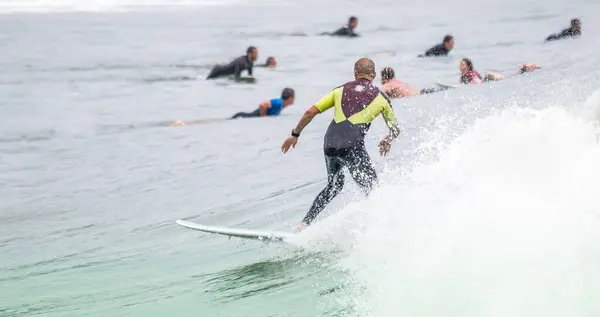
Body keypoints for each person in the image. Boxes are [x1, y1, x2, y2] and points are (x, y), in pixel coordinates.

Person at [280, 58, 401, 232]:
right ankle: (379, 231)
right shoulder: (382, 99)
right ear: (374, 75)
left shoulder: (340, 90)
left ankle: (302, 226)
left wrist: (295, 135)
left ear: (355, 74)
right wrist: (387, 140)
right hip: (352, 147)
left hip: (329, 144)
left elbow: (310, 112)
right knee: (373, 190)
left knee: (334, 186)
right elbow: (395, 129)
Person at [381, 67, 448, 98]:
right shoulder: (398, 82)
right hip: (423, 92)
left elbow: (382, 92)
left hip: (418, 96)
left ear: (383, 78)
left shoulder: (388, 84)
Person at [231, 88, 295, 119]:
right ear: (290, 98)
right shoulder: (279, 103)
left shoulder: (281, 104)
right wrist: (263, 118)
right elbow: (262, 105)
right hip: (242, 116)